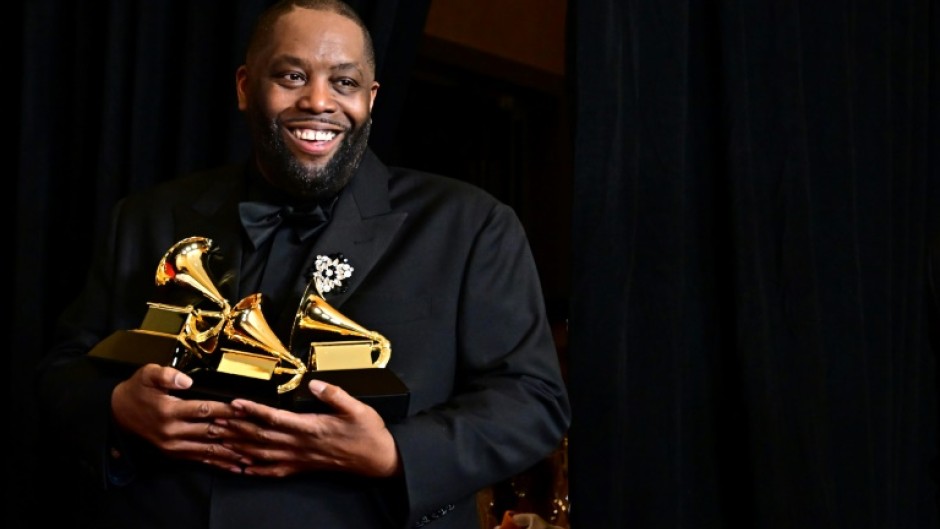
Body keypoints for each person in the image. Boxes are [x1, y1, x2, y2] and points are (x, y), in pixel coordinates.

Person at [34, 1, 571, 528]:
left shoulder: (471, 224)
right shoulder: (145, 217)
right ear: (246, 87)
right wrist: (118, 408)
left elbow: (533, 400)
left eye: (344, 82)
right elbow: (65, 369)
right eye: (292, 75)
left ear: (371, 98)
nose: (319, 101)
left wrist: (393, 453)